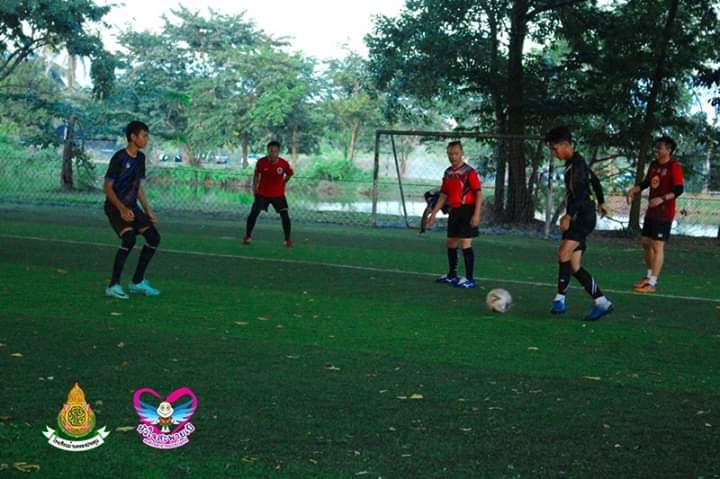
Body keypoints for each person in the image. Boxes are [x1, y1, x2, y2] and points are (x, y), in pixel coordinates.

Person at [545, 126, 612, 321]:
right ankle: (602, 302)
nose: (554, 153)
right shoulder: (576, 162)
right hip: (583, 215)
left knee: (563, 253)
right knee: (574, 266)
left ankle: (560, 299)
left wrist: (568, 215)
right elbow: (595, 180)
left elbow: (581, 194)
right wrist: (601, 201)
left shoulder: (576, 166)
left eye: (555, 148)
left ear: (566, 145)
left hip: (583, 217)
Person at [104, 121, 160, 299]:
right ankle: (113, 285)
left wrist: (148, 210)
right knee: (128, 239)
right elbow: (107, 187)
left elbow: (138, 188)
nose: (146, 140)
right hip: (115, 207)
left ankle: (137, 282)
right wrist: (121, 209)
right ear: (133, 137)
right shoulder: (119, 158)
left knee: (153, 237)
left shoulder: (141, 158)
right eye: (144, 136)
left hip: (132, 207)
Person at [626, 136, 684, 293]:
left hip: (664, 213)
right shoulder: (653, 165)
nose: (656, 150)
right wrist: (634, 190)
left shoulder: (674, 166)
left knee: (658, 245)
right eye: (656, 147)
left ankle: (652, 283)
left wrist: (662, 199)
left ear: (669, 150)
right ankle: (648, 276)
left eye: (660, 147)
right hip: (652, 212)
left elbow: (679, 189)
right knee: (646, 243)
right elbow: (647, 182)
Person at [425, 141, 482, 289]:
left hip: (467, 210)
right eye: (450, 153)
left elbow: (478, 193)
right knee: (451, 242)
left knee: (465, 243)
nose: (453, 156)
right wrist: (433, 214)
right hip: (454, 211)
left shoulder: (469, 172)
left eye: (456, 153)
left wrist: (476, 214)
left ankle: (469, 279)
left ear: (462, 153)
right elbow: (444, 195)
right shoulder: (448, 173)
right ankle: (452, 275)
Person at [242, 141, 294, 247]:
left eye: (275, 151)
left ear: (278, 152)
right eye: (271, 151)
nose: (273, 153)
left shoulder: (283, 164)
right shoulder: (261, 162)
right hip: (262, 193)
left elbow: (289, 174)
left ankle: (287, 240)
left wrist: (284, 182)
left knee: (285, 216)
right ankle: (247, 237)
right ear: (268, 151)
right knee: (253, 214)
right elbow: (256, 175)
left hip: (278, 194)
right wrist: (254, 187)